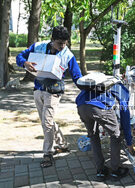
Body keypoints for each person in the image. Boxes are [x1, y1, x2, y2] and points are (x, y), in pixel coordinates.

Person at [16, 26, 82, 168]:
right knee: (48, 122)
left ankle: (48, 153)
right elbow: (19, 57)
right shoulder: (38, 46)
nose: (62, 46)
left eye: (65, 43)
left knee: (47, 122)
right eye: (59, 43)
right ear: (52, 40)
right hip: (38, 89)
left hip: (54, 91)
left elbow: (77, 77)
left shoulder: (68, 55)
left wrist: (87, 89)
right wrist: (24, 63)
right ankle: (63, 144)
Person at [76, 76, 134, 181]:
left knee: (93, 136)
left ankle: (101, 170)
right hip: (98, 107)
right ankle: (116, 170)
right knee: (115, 134)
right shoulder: (119, 86)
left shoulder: (101, 80)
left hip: (81, 107)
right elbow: (124, 113)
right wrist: (129, 142)